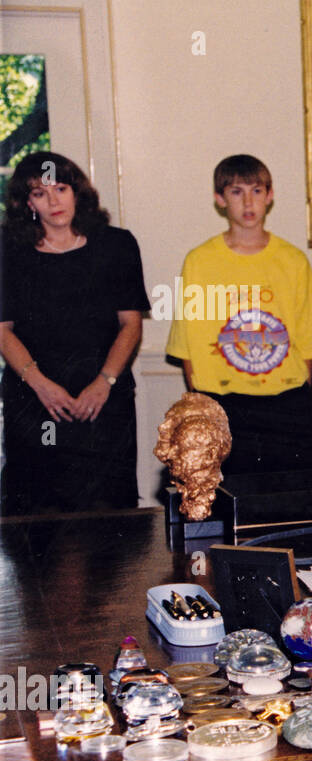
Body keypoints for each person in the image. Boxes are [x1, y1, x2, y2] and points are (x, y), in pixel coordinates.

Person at [1, 151, 149, 514]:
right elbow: (2, 330)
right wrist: (40, 384)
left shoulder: (116, 246)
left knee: (106, 515)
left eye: (61, 188)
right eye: (40, 193)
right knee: (39, 515)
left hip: (102, 399)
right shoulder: (9, 251)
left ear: (77, 191)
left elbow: (131, 324)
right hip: (36, 400)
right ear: (26, 203)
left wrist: (104, 382)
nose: (53, 201)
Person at [164, 154, 312, 475]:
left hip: (284, 402)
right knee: (228, 496)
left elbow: (308, 341)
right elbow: (189, 345)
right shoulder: (200, 261)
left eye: (256, 190)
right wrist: (203, 406)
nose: (248, 202)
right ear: (220, 199)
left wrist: (295, 396)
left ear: (270, 196)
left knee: (286, 497)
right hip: (224, 402)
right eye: (236, 192)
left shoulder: (293, 261)